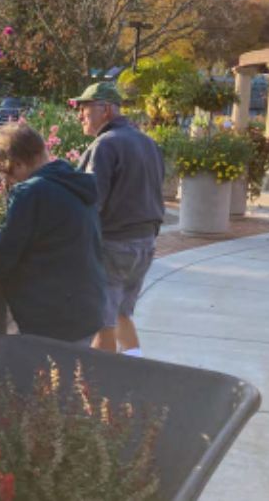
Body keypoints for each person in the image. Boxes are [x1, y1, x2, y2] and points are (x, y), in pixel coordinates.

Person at [0, 123, 106, 345]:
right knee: (73, 376)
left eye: (4, 171)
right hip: (87, 306)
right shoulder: (73, 182)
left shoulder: (31, 192)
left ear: (18, 164)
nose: (6, 180)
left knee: (49, 377)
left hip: (53, 315)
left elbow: (4, 253)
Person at [75, 82, 165, 356]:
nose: (80, 115)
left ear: (106, 109)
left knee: (103, 322)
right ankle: (134, 371)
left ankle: (103, 389)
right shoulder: (147, 143)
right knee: (123, 313)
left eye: (85, 108)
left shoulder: (105, 145)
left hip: (114, 245)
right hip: (144, 244)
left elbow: (92, 201)